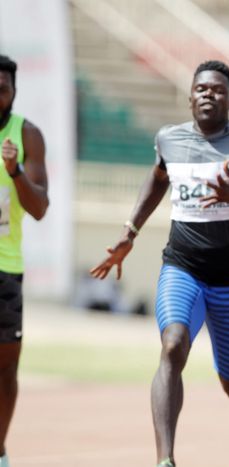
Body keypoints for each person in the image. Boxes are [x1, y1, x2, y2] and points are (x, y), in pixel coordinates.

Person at [90, 60, 229, 467]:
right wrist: (130, 231)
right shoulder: (169, 139)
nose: (209, 94)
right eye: (201, 88)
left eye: (219, 90)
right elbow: (157, 178)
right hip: (181, 269)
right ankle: (165, 459)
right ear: (189, 97)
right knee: (172, 346)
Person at [0, 54, 50, 467]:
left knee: (5, 370)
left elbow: (39, 209)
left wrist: (15, 171)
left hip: (5, 267)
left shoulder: (27, 135)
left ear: (14, 92)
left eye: (2, 88)